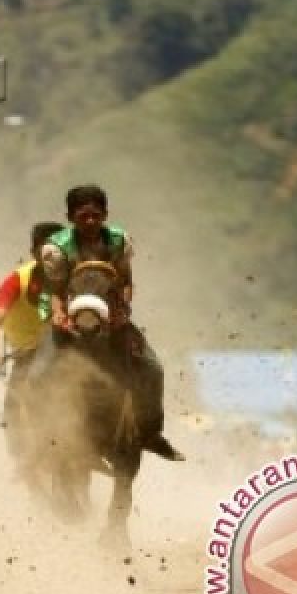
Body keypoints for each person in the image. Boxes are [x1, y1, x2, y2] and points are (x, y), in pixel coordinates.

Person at [40, 184, 183, 461]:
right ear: (71, 217)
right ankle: (44, 437)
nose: (91, 221)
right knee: (39, 372)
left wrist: (123, 308)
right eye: (83, 216)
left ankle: (151, 433)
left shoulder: (118, 242)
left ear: (105, 214)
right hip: (71, 319)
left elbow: (126, 282)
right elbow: (56, 290)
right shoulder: (56, 249)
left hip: (110, 318)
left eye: (96, 215)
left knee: (153, 368)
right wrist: (59, 314)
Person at [0, 221, 65, 461]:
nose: (53, 258)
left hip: (68, 349)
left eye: (58, 251)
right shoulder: (17, 280)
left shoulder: (78, 276)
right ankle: (21, 461)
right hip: (26, 356)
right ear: (34, 253)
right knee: (12, 411)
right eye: (46, 251)